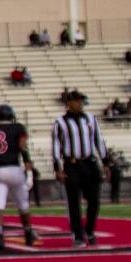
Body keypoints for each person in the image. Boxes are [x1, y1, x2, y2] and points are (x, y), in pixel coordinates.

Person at [52, 90, 113, 247]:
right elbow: (56, 146)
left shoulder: (90, 118)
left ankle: (90, 230)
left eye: (81, 101)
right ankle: (78, 235)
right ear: (69, 103)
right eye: (77, 101)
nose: (80, 104)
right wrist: (57, 167)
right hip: (71, 164)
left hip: (90, 163)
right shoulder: (60, 122)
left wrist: (106, 163)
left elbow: (99, 141)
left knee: (94, 200)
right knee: (74, 202)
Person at [0, 104, 38, 250]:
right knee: (23, 205)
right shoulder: (18, 128)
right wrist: (30, 172)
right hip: (14, 168)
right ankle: (27, 232)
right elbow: (23, 149)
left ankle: (0, 236)